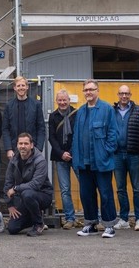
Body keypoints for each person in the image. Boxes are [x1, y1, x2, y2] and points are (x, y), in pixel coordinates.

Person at [72, 79, 119, 238]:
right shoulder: (80, 111)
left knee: (105, 194)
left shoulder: (106, 109)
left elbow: (113, 133)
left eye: (91, 89)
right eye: (86, 90)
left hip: (102, 161)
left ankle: (109, 226)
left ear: (97, 91)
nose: (88, 92)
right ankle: (90, 224)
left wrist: (107, 151)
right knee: (86, 194)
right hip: (84, 162)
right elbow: (77, 136)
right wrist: (76, 158)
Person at [4, 133, 53, 237]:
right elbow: (8, 182)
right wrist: (10, 205)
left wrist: (16, 188)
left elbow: (36, 184)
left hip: (43, 195)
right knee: (12, 228)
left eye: (26, 143)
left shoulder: (40, 160)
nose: (23, 146)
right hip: (25, 197)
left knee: (28, 194)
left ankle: (38, 224)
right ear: (17, 145)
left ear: (31, 145)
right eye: (20, 143)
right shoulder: (13, 160)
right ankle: (36, 216)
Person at [113, 84, 139, 231]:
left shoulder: (138, 111)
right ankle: (124, 219)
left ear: (130, 95)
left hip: (134, 154)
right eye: (121, 93)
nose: (124, 96)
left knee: (137, 188)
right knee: (120, 188)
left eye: (126, 93)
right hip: (117, 155)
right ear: (118, 95)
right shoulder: (112, 111)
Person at [48, 88, 78, 229]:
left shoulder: (76, 114)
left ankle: (92, 217)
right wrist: (62, 154)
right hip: (60, 158)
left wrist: (70, 152)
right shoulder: (53, 117)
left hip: (76, 156)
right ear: (56, 101)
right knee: (65, 189)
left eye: (64, 100)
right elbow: (52, 138)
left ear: (69, 100)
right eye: (59, 100)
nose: (62, 102)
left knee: (86, 187)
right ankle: (69, 218)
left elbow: (78, 135)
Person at [2, 77, 46, 158]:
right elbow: (5, 129)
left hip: (32, 149)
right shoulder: (9, 106)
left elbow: (41, 128)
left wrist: (39, 149)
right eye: (18, 86)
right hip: (14, 149)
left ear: (27, 87)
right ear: (15, 88)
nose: (21, 88)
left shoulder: (36, 105)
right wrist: (8, 149)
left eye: (23, 85)